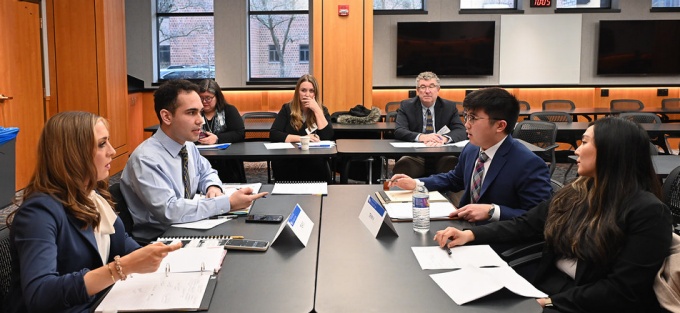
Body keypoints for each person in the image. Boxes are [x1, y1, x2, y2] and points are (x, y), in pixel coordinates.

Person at [434, 117, 672, 313]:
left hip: (586, 301)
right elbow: (526, 224)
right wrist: (470, 235)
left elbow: (622, 290)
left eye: (585, 143)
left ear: (612, 152)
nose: (577, 149)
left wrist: (549, 303)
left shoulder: (648, 212)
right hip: (549, 283)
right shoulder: (576, 192)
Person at [4, 111, 182, 313]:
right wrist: (118, 269)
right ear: (73, 154)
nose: (112, 151)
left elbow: (124, 246)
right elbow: (40, 294)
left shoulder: (93, 197)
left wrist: (167, 258)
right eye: (101, 144)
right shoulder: (38, 213)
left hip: (100, 303)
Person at [121, 80, 267, 243]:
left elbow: (206, 172)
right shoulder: (146, 159)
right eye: (191, 113)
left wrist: (212, 186)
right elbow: (170, 211)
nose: (201, 121)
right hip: (160, 242)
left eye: (200, 112)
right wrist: (227, 203)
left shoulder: (187, 146)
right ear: (167, 116)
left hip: (188, 228)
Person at [389, 87, 552, 223]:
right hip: (465, 229)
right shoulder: (472, 149)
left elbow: (539, 219)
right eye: (466, 116)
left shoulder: (527, 163)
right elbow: (454, 179)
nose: (466, 124)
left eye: (473, 118)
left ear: (500, 125)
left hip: (500, 240)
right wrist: (416, 184)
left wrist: (493, 211)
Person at [392, 71, 467, 178]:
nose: (427, 91)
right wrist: (423, 137)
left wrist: (444, 139)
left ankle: (449, 195)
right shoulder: (406, 106)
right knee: (403, 166)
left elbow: (460, 130)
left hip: (442, 154)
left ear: (438, 89)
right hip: (415, 156)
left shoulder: (449, 106)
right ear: (417, 90)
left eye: (431, 86)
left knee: (454, 165)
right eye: (423, 87)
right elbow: (399, 130)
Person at [270, 74, 334, 182]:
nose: (307, 94)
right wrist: (303, 138)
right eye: (303, 90)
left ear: (315, 94)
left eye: (311, 91)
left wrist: (317, 110)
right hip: (290, 159)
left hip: (313, 160)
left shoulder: (321, 110)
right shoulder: (287, 109)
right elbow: (274, 134)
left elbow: (327, 136)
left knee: (318, 164)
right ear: (297, 92)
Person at [197, 79, 247, 183]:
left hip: (227, 159)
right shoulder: (193, 112)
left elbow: (239, 133)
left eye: (208, 98)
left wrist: (217, 138)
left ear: (217, 97)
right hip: (199, 158)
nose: (204, 102)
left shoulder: (229, 110)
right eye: (201, 98)